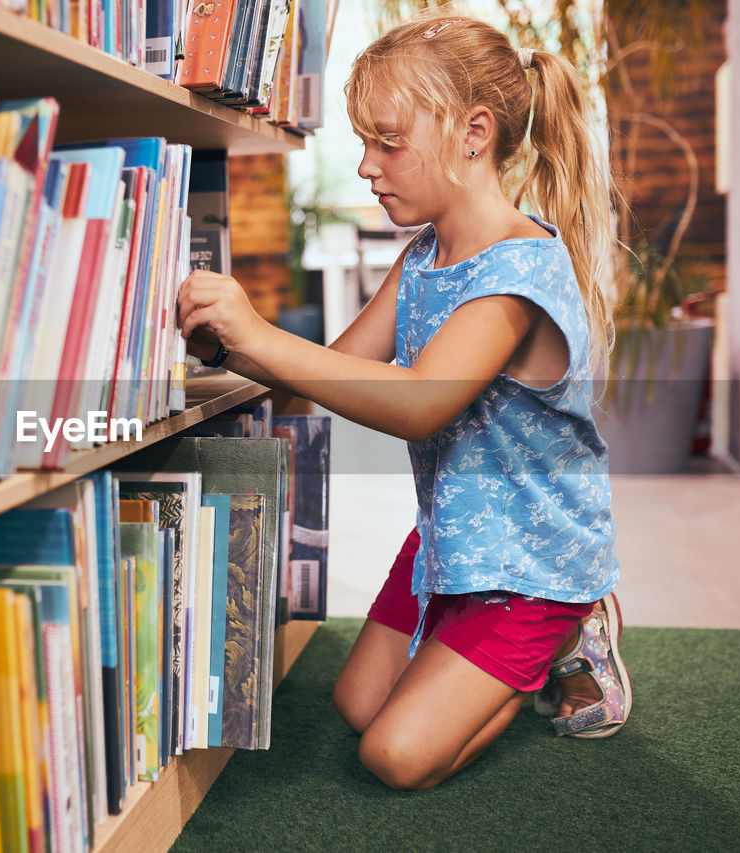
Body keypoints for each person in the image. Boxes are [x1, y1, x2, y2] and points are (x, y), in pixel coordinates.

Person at [176, 13, 632, 790]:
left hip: (531, 565)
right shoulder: (423, 258)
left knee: (394, 756)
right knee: (359, 703)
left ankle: (571, 632)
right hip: (452, 541)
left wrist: (258, 328)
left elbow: (422, 403)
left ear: (473, 134)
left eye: (387, 141)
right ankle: (493, 659)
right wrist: (228, 344)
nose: (365, 167)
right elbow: (338, 367)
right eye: (364, 143)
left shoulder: (516, 276)